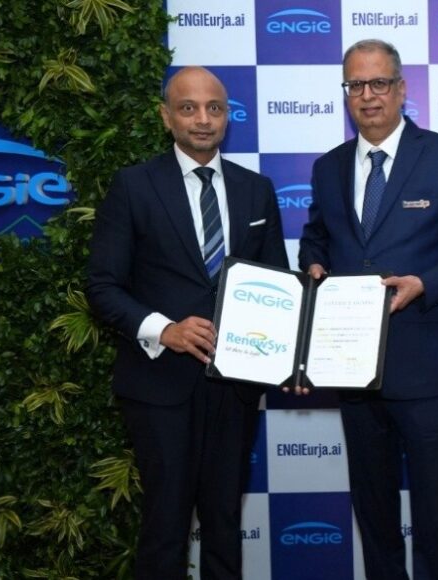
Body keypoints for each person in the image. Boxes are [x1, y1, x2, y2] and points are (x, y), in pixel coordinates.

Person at [297, 39, 438, 580]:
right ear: (346, 93)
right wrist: (313, 265)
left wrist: (425, 283)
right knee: (373, 510)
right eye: (356, 85)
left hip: (425, 364)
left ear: (402, 89)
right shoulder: (328, 167)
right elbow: (316, 238)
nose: (368, 95)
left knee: (437, 512)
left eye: (379, 83)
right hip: (351, 368)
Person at [86, 66, 287, 579]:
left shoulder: (256, 189)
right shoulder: (133, 186)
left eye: (214, 108)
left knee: (224, 524)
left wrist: (293, 357)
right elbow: (103, 286)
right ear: (166, 116)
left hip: (235, 385)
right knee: (165, 526)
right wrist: (165, 329)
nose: (202, 119)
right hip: (159, 384)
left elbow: (279, 288)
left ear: (227, 117)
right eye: (188, 108)